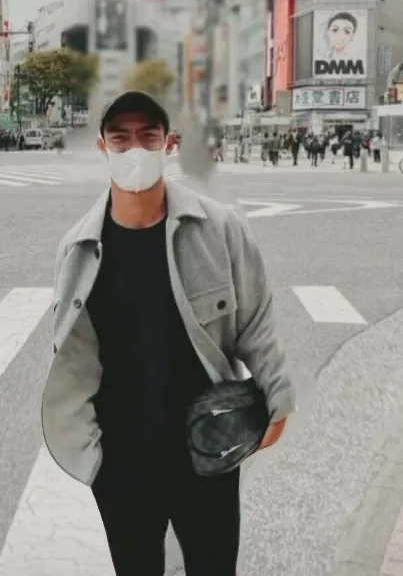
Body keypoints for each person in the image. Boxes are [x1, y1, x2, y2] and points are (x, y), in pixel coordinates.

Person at [41, 90, 296, 576]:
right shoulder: (77, 248)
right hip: (120, 461)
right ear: (103, 147)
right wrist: (93, 455)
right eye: (121, 138)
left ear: (168, 142)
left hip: (209, 449)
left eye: (147, 136)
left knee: (213, 567)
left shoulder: (220, 229)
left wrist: (279, 394)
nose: (134, 149)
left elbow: (257, 320)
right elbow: (70, 351)